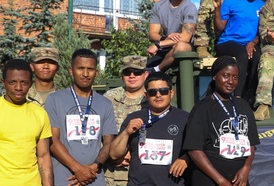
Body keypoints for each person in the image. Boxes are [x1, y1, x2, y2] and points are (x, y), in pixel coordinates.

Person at [45, 49, 118, 186]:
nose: (85, 74)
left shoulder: (105, 103)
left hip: (94, 179)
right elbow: (52, 141)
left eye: (90, 69)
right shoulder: (54, 100)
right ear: (71, 70)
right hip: (65, 180)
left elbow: (108, 143)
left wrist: (94, 167)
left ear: (96, 72)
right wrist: (77, 169)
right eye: (80, 68)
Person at [184, 56, 260, 185]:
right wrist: (219, 180)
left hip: (238, 179)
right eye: (225, 76)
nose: (230, 81)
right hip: (209, 179)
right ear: (214, 76)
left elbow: (251, 144)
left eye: (235, 77)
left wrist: (246, 168)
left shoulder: (243, 105)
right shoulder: (202, 108)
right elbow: (194, 150)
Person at [109, 72, 190, 185]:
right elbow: (114, 154)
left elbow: (199, 149)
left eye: (163, 91)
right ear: (146, 95)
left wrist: (186, 158)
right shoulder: (133, 118)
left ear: (171, 93)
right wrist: (126, 132)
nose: (158, 95)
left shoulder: (185, 119)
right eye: (152, 92)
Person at [214, 0, 265, 98]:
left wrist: (253, 43)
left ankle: (251, 96)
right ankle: (237, 97)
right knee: (242, 55)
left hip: (250, 44)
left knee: (258, 57)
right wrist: (217, 9)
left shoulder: (263, 5)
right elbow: (219, 28)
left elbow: (263, 31)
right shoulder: (231, 1)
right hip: (228, 42)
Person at [0, 59, 53, 186]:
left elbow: (44, 157)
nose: (18, 87)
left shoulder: (39, 113)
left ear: (31, 84)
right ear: (3, 83)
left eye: (24, 82)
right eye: (12, 82)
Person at [104, 55, 149, 186]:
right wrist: (112, 154)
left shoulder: (153, 99)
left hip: (142, 170)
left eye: (137, 72)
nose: (132, 76)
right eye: (127, 72)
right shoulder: (109, 99)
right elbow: (98, 133)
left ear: (145, 74)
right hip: (112, 172)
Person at [147, 0, 197, 72]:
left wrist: (158, 45)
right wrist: (165, 39)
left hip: (185, 48)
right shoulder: (159, 6)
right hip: (166, 46)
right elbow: (152, 34)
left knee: (182, 46)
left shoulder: (190, 7)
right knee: (139, 70)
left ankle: (157, 70)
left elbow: (186, 37)